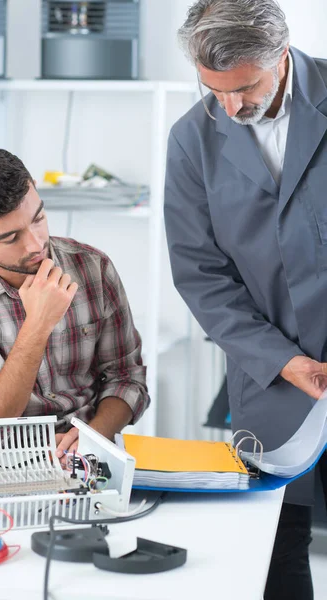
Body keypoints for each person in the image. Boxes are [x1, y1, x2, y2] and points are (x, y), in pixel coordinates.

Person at [164, 1, 327, 599]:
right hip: (275, 384)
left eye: (246, 87)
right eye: (214, 90)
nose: (231, 107)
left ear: (281, 56)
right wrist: (281, 359)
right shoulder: (190, 140)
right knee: (277, 555)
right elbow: (201, 275)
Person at [0, 146, 149, 458]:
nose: (36, 243)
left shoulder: (92, 268)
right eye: (10, 237)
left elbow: (126, 377)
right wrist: (38, 324)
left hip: (87, 454)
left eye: (38, 218)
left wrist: (93, 438)